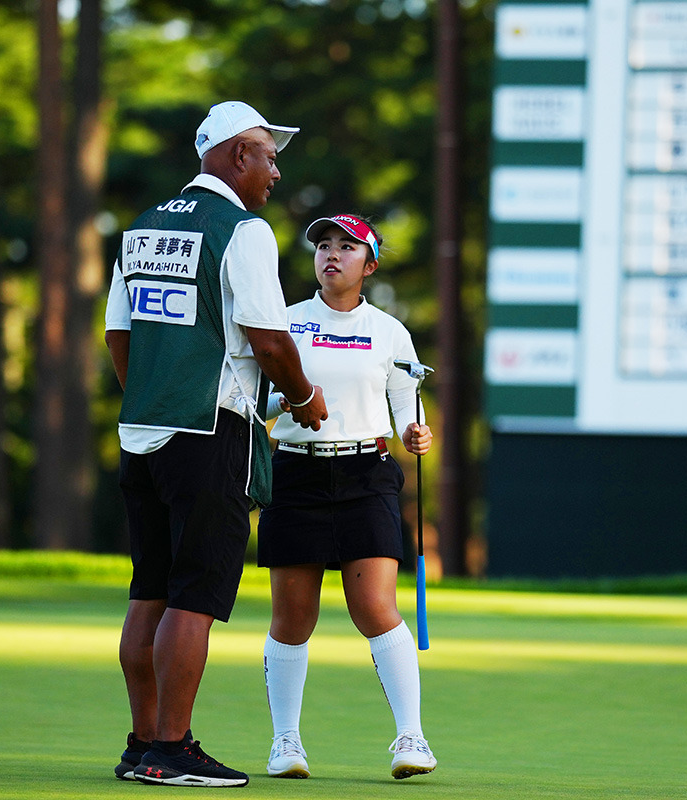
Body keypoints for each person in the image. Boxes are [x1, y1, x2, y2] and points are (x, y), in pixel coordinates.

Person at [103, 100, 329, 788]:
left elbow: (119, 337)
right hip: (209, 430)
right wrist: (304, 396)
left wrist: (150, 388)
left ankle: (142, 744)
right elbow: (267, 337)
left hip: (142, 430)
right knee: (194, 595)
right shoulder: (243, 229)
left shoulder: (141, 228)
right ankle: (172, 750)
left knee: (151, 589)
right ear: (237, 156)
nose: (275, 172)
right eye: (268, 156)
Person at [258, 213, 438, 780]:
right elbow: (256, 403)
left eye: (346, 247)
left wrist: (417, 433)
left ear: (370, 263)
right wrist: (285, 403)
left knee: (376, 609)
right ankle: (286, 743)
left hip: (367, 473)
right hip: (296, 474)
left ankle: (412, 737)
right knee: (293, 616)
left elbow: (408, 409)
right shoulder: (283, 323)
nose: (331, 254)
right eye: (324, 246)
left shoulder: (389, 332)